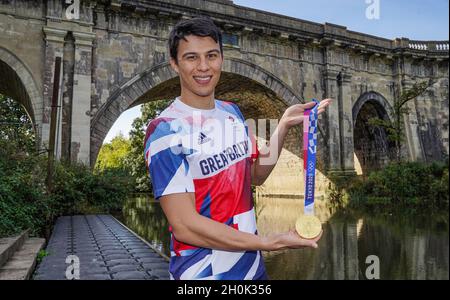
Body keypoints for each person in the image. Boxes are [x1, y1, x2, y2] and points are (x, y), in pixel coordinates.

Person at [144, 16, 332, 280]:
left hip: (252, 271)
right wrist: (268, 242)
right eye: (191, 58)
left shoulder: (232, 113)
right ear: (174, 64)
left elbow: (254, 175)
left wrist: (284, 125)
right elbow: (185, 226)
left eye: (211, 55)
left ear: (221, 58)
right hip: (203, 274)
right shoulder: (165, 130)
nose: (203, 67)